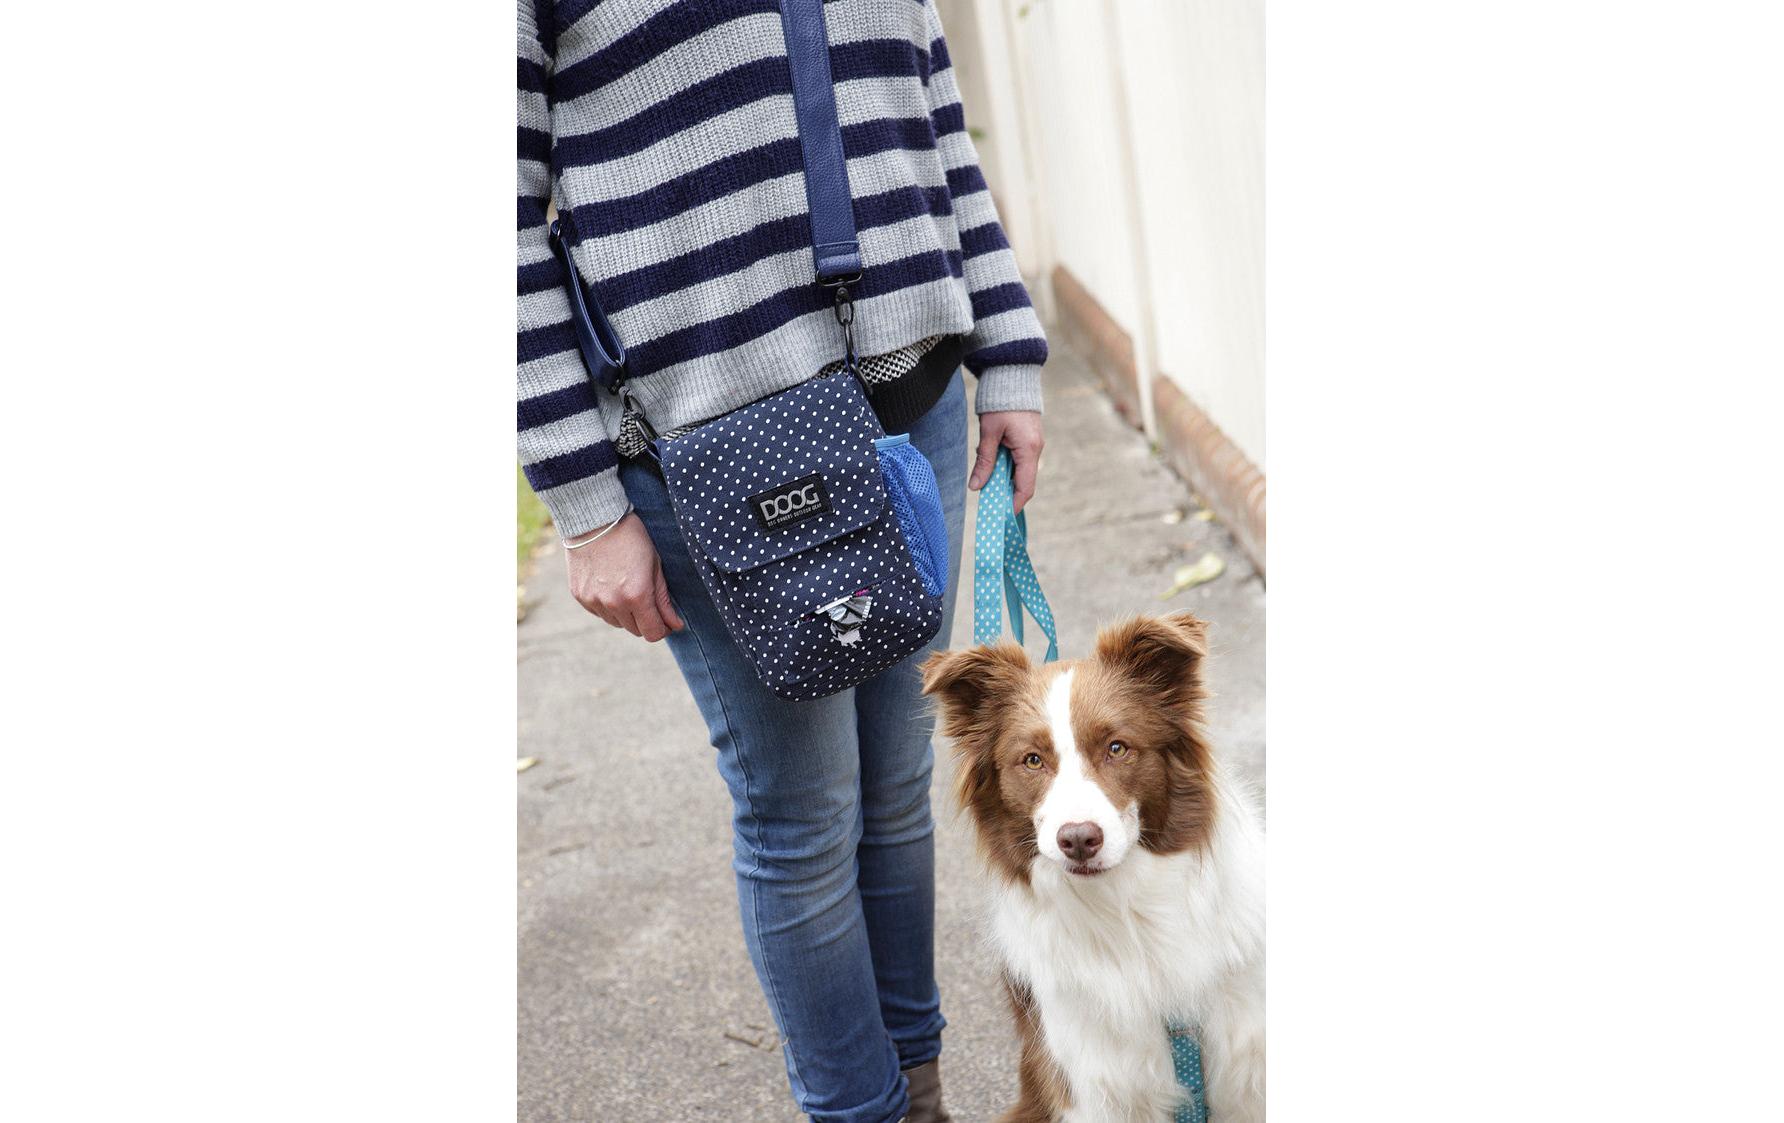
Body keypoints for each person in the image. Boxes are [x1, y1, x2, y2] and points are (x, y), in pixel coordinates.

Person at [517, 3, 1046, 1120]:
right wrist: (580, 499)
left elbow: (933, 107)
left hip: (911, 396)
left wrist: (1004, 346)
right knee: (802, 813)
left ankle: (919, 1087)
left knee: (899, 784)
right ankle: (857, 1110)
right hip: (714, 439)